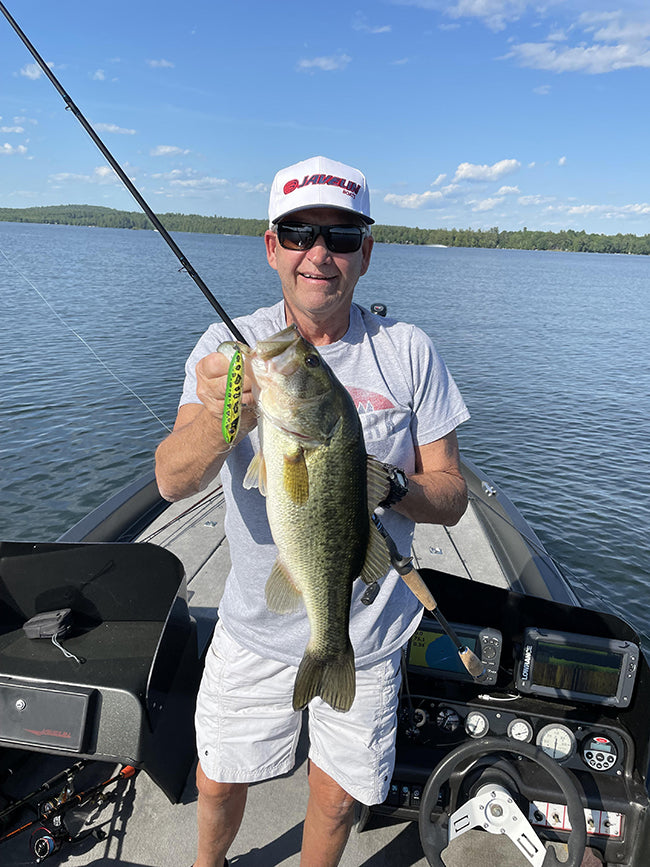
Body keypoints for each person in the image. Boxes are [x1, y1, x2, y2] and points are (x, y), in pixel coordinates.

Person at [155, 155, 470, 867]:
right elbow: (172, 479)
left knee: (335, 798)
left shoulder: (410, 351)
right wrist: (220, 418)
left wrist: (389, 485)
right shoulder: (228, 349)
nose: (318, 253)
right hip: (253, 625)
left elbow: (451, 494)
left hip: (367, 624)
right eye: (298, 233)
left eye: (341, 236)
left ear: (366, 252)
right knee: (217, 776)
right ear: (272, 248)